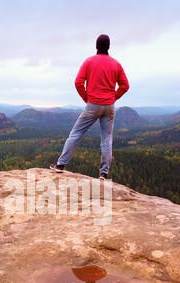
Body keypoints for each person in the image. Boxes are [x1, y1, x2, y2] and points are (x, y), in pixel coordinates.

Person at [50, 34, 130, 180]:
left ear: (96, 46)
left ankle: (61, 165)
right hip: (109, 106)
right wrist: (113, 97)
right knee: (106, 139)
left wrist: (86, 97)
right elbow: (125, 85)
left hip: (93, 104)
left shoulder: (89, 61)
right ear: (109, 47)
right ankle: (103, 173)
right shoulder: (116, 64)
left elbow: (78, 82)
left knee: (76, 133)